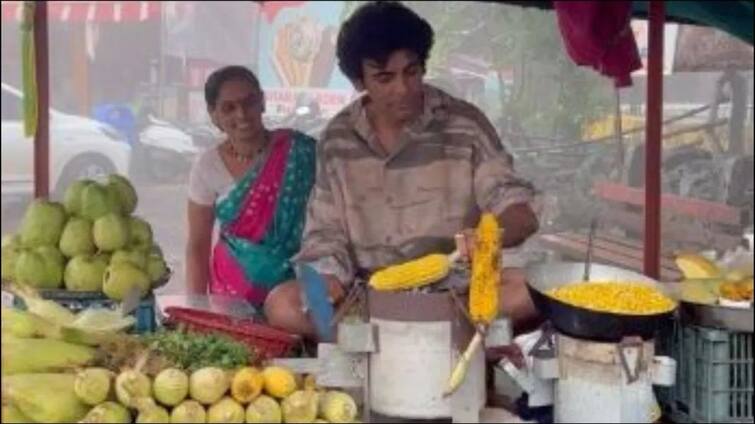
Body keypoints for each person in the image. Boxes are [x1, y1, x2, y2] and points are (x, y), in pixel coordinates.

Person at [264, 1, 540, 337]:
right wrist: (326, 277)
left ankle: (391, 339)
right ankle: (385, 339)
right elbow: (325, 231)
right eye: (384, 77)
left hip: (457, 294)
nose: (403, 89)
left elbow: (518, 210)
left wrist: (489, 235)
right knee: (282, 303)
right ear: (358, 80)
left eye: (411, 71)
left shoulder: (465, 124)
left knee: (532, 289)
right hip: (367, 297)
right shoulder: (338, 139)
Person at [185, 66, 316, 309]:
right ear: (213, 115)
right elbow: (198, 245)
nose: (242, 114)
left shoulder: (299, 152)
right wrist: (194, 310)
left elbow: (328, 222)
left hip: (295, 294)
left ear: (263, 102)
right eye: (228, 107)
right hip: (231, 297)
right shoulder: (207, 166)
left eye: (250, 102)